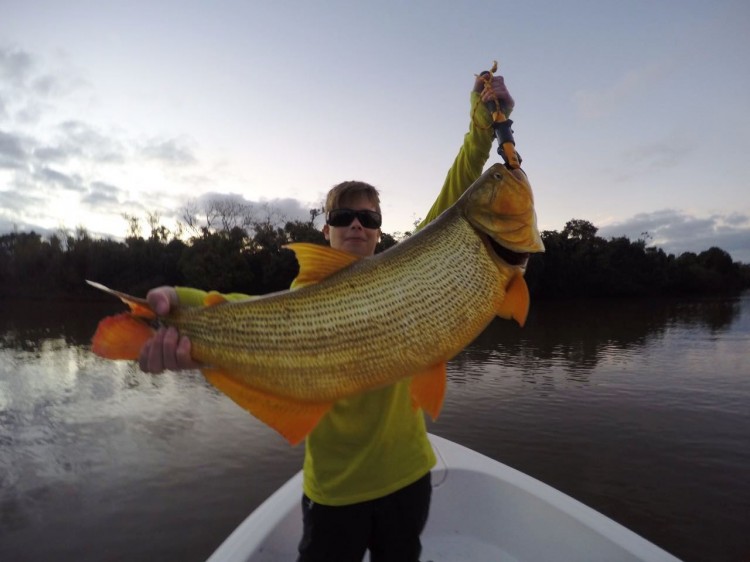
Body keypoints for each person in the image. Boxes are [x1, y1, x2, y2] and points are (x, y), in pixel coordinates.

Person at [138, 72, 514, 562]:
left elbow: (459, 191)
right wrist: (174, 303)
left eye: (369, 218)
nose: (356, 225)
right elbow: (237, 307)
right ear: (327, 230)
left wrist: (483, 121)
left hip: (408, 479)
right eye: (343, 218)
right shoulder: (304, 295)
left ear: (380, 230)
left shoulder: (412, 272)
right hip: (334, 493)